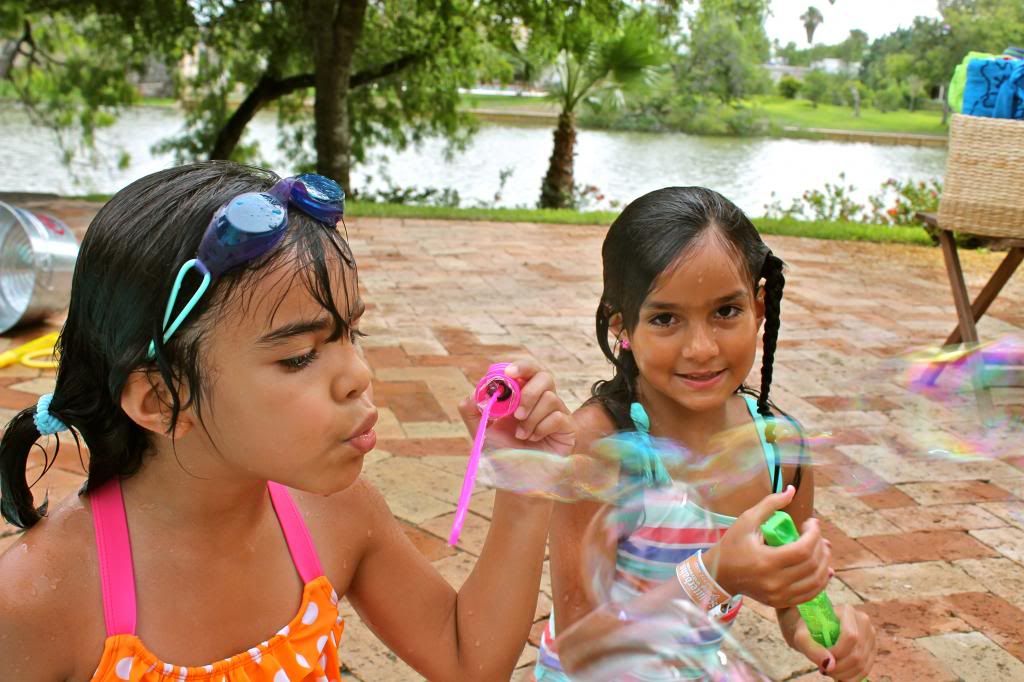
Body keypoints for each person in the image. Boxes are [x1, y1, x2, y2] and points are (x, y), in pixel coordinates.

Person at [0, 162, 575, 681]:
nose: (358, 375)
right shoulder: (41, 598)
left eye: (352, 334)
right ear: (161, 399)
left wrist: (526, 486)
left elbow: (467, 659)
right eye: (299, 355)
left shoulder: (336, 515)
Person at [536, 187, 875, 681]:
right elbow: (581, 645)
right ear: (622, 327)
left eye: (725, 312)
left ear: (759, 308)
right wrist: (712, 574)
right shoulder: (599, 446)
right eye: (665, 318)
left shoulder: (780, 451)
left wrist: (825, 635)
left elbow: (796, 598)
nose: (700, 348)